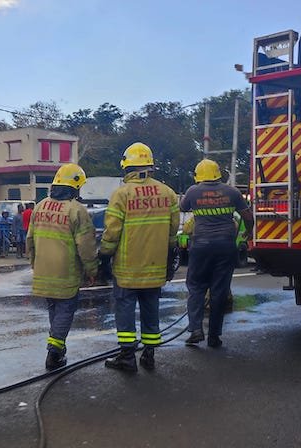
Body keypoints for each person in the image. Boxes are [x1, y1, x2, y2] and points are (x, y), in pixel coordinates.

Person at [99, 142, 180, 372]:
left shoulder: (121, 194)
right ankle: (149, 354)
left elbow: (112, 232)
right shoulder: (168, 193)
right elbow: (173, 231)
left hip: (127, 268)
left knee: (125, 309)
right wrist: (170, 255)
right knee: (150, 308)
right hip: (155, 266)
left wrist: (104, 257)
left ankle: (126, 356)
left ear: (127, 168)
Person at [27, 164, 98, 370]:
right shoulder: (77, 210)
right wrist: (92, 270)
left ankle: (57, 345)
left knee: (54, 310)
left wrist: (35, 265)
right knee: (65, 310)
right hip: (66, 273)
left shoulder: (39, 207)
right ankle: (54, 351)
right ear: (75, 187)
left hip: (43, 271)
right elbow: (86, 246)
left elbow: (29, 240)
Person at [181, 159, 253, 348]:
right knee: (219, 291)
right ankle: (214, 336)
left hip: (201, 246)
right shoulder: (233, 192)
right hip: (225, 246)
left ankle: (196, 329)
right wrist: (249, 232)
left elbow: (182, 207)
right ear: (218, 174)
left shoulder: (193, 191)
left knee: (196, 287)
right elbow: (247, 216)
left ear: (199, 176)